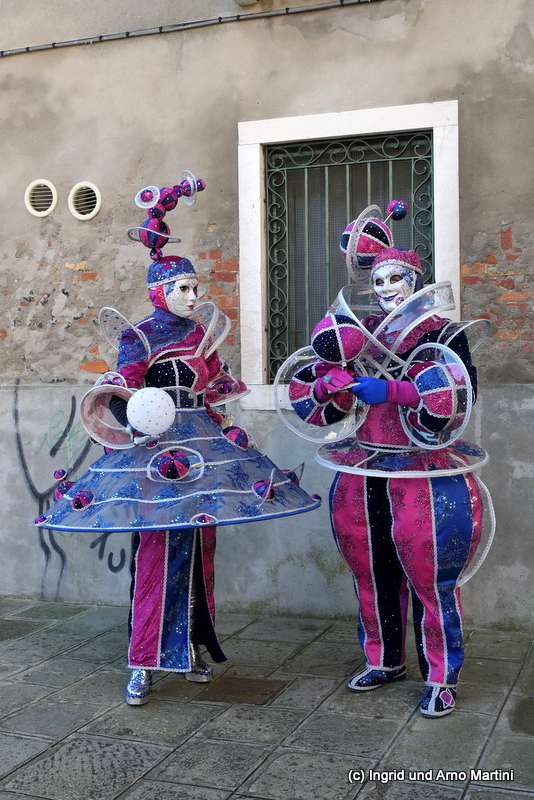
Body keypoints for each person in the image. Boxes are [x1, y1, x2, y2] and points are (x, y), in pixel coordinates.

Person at [35, 176, 320, 705]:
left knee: (200, 546)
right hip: (156, 455)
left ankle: (189, 648)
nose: (193, 296)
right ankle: (144, 661)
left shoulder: (201, 337)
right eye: (182, 288)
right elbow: (120, 390)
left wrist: (228, 435)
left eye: (195, 287)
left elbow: (212, 392)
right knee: (158, 548)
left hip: (203, 453)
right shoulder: (139, 336)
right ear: (159, 291)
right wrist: (136, 416)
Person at [285, 204, 493, 718]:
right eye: (378, 280)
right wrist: (329, 387)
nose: (385, 287)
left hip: (425, 470)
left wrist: (397, 391)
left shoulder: (443, 332)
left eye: (395, 277)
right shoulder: (359, 330)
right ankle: (384, 660)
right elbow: (320, 399)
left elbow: (461, 397)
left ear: (414, 279)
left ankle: (441, 675)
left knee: (431, 575)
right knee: (370, 570)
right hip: (363, 467)